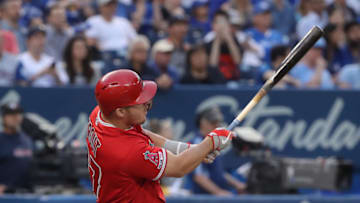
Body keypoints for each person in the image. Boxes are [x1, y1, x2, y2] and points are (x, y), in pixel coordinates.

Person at [87, 69, 233, 202]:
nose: (147, 103)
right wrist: (210, 142)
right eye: (140, 101)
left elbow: (141, 134)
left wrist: (188, 149)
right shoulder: (127, 152)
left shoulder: (102, 113)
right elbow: (178, 167)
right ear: (120, 112)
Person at [187, 106, 246, 195]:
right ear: (203, 123)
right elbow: (198, 176)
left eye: (218, 123)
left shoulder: (214, 143)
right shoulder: (196, 143)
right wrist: (219, 192)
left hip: (215, 196)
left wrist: (237, 184)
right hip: (202, 198)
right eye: (213, 122)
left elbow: (218, 173)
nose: (217, 126)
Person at [0, 103, 33, 194]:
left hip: (26, 193)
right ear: (4, 118)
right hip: (5, 195)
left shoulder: (27, 139)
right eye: (11, 114)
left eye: (18, 114)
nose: (15, 117)